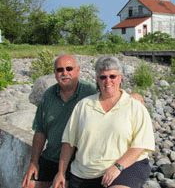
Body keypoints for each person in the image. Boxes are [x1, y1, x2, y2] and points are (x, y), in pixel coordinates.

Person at [22, 54, 144, 188]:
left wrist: (135, 97)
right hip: (52, 156)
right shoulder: (48, 96)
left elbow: (110, 90)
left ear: (78, 70)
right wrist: (33, 162)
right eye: (60, 70)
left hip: (76, 159)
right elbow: (40, 131)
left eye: (69, 68)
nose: (65, 73)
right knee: (29, 184)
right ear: (55, 73)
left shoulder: (89, 92)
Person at [52, 56, 155, 188]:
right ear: (97, 79)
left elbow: (140, 145)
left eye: (112, 76)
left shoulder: (135, 107)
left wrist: (117, 167)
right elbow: (68, 142)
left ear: (120, 77)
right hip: (85, 173)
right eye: (103, 77)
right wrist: (61, 173)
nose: (108, 81)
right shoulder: (83, 106)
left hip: (124, 168)